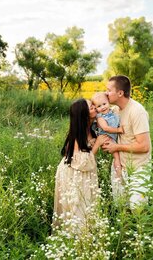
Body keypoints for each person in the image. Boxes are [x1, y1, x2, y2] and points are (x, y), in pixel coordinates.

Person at [53, 98, 106, 228]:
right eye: (91, 106)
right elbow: (82, 163)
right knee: (77, 208)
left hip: (84, 173)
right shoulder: (77, 135)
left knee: (87, 206)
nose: (95, 107)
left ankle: (86, 239)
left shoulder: (92, 126)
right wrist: (97, 144)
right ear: (83, 114)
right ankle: (75, 240)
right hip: (74, 173)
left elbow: (112, 108)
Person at [101, 75, 151, 208]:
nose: (106, 93)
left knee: (137, 208)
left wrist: (116, 147)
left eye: (108, 90)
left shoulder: (137, 111)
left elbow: (144, 146)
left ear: (120, 93)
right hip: (120, 167)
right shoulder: (115, 110)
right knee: (121, 208)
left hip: (138, 168)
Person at [91, 92, 124, 180]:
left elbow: (118, 106)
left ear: (108, 102)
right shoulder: (100, 117)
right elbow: (105, 128)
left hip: (113, 137)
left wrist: (107, 95)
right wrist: (119, 130)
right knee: (116, 157)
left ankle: (119, 172)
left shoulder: (112, 111)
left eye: (104, 104)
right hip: (106, 138)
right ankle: (119, 176)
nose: (103, 107)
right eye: (99, 106)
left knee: (119, 155)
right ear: (96, 108)